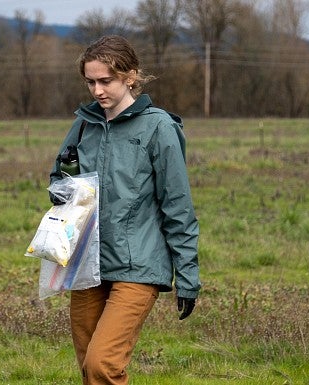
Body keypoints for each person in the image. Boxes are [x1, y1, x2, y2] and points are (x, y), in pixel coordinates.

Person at [50, 35, 200, 385]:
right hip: (87, 262)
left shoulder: (159, 127)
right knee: (89, 367)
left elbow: (178, 206)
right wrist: (62, 189)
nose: (97, 90)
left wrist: (188, 277)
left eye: (107, 81)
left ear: (130, 76)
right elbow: (58, 176)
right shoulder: (84, 123)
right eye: (91, 81)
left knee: (102, 364)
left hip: (139, 265)